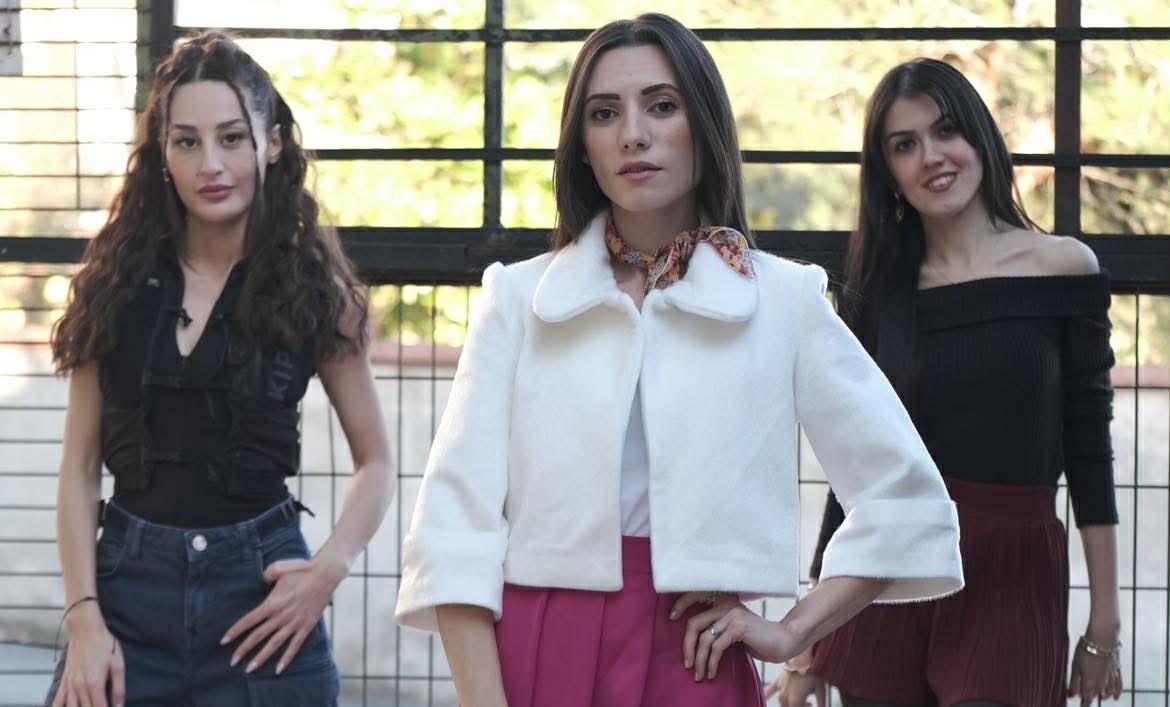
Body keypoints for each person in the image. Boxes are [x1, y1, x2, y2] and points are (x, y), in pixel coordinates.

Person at [394, 14, 963, 707]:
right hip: (535, 657)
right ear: (582, 147)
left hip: (695, 661)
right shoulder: (518, 299)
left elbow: (905, 497)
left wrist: (793, 631)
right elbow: (453, 531)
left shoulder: (781, 299)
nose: (633, 134)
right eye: (605, 113)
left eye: (662, 106)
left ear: (705, 124)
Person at [45, 31, 394, 707]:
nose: (211, 164)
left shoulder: (313, 290)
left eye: (232, 138)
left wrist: (328, 567)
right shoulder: (112, 284)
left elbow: (376, 461)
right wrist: (83, 616)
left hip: (263, 607)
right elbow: (79, 467)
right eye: (187, 142)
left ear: (272, 143)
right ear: (162, 154)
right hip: (124, 596)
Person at [767, 58, 1123, 707]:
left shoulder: (1063, 268)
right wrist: (813, 633)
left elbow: (1089, 451)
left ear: (979, 137)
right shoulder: (878, 291)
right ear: (889, 173)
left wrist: (1104, 624)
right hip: (890, 570)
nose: (931, 156)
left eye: (945, 130)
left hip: (1012, 572)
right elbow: (858, 468)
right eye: (904, 145)